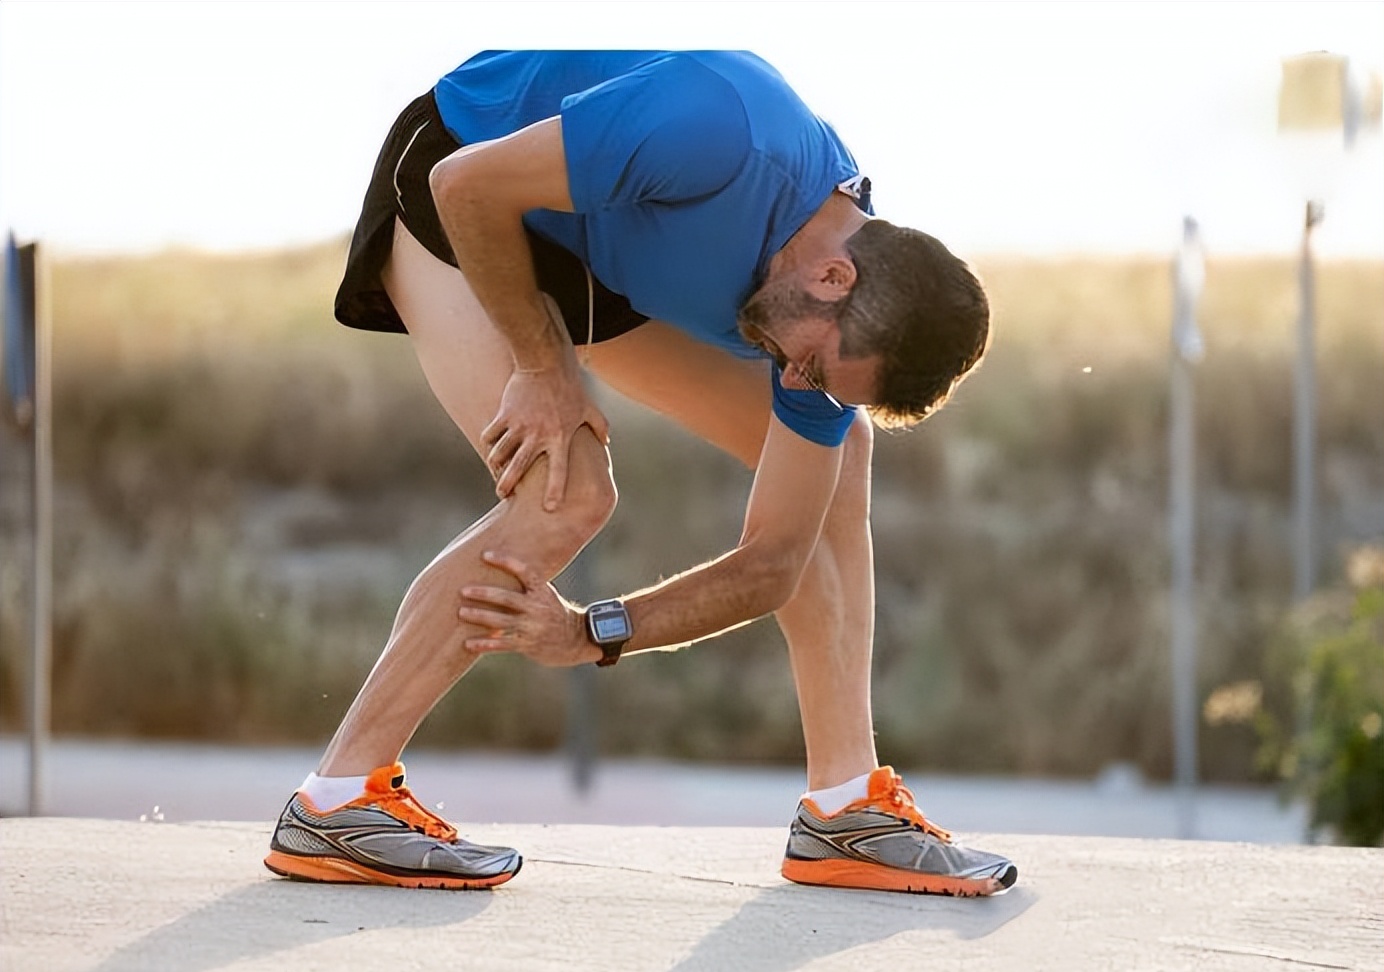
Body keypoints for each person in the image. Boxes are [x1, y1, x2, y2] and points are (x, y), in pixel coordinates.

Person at [263, 50, 1016, 897]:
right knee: (570, 492)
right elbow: (467, 185)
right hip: (459, 182)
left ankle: (846, 811)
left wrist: (594, 633)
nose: (795, 384)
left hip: (601, 243)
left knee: (836, 459)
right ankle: (338, 802)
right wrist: (542, 364)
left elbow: (774, 562)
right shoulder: (717, 127)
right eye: (809, 365)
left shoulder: (833, 323)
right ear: (832, 276)